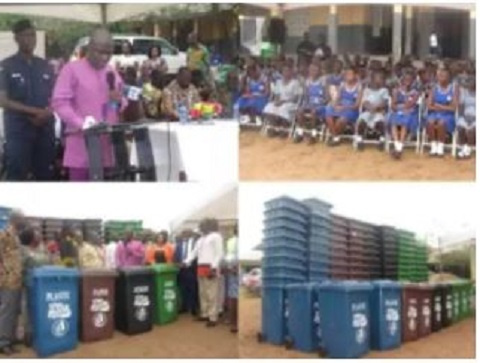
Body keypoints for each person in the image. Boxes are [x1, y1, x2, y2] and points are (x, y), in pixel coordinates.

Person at [52, 27, 127, 181]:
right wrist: (81, 123)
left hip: (108, 149)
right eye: (100, 52)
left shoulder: (112, 72)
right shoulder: (71, 69)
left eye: (109, 52)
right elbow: (59, 102)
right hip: (81, 147)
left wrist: (118, 101)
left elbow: (117, 105)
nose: (105, 57)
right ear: (90, 48)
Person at [0, 19, 56, 181]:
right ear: (16, 38)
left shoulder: (45, 65)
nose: (31, 39)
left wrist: (48, 112)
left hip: (44, 130)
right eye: (26, 35)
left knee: (46, 176)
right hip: (19, 131)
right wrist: (34, 112)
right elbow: (3, 100)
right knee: (17, 175)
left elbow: (56, 96)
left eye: (33, 35)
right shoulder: (6, 66)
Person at [185, 219, 224, 327]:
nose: (200, 227)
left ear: (208, 226)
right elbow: (194, 253)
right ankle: (204, 314)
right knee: (202, 292)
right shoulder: (201, 239)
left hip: (210, 267)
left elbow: (219, 254)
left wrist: (214, 267)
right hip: (200, 267)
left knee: (212, 293)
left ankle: (213, 317)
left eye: (202, 225)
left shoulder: (216, 236)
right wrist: (186, 261)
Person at [18, 227, 50, 347]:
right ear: (31, 238)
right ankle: (28, 335)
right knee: (28, 310)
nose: (39, 237)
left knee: (40, 309)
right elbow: (23, 265)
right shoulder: (23, 250)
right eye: (37, 235)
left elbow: (48, 261)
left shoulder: (41, 249)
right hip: (29, 284)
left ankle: (40, 332)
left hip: (42, 285)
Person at [0, 211, 26, 355]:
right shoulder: (4, 234)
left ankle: (11, 339)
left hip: (16, 280)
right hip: (7, 280)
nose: (24, 221)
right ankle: (3, 343)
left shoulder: (16, 236)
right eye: (22, 218)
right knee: (7, 312)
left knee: (15, 312)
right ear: (15, 220)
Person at [325, 66, 363, 146]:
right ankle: (336, 136)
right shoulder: (342, 85)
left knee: (341, 120)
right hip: (341, 107)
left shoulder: (359, 87)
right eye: (346, 74)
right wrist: (336, 106)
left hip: (352, 110)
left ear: (355, 75)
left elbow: (356, 105)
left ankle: (335, 137)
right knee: (328, 111)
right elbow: (337, 99)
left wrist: (344, 108)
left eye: (350, 74)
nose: (348, 76)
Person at [293, 62, 329, 144]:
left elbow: (327, 98)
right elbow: (306, 97)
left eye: (315, 70)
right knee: (299, 111)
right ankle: (300, 132)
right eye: (311, 70)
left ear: (319, 71)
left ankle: (313, 134)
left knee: (313, 112)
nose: (313, 72)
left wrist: (318, 104)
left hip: (321, 105)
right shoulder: (307, 81)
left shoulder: (323, 81)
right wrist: (305, 105)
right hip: (310, 104)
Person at [426, 67, 459, 157]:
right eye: (440, 75)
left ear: (449, 77)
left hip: (448, 115)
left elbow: (454, 107)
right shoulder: (434, 87)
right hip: (434, 112)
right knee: (430, 121)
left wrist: (440, 106)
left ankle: (440, 148)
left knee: (441, 123)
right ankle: (433, 147)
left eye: (444, 75)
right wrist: (440, 107)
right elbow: (429, 105)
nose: (441, 77)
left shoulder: (454, 87)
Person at [263, 64, 303, 137]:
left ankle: (284, 129)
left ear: (291, 72)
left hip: (291, 103)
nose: (286, 72)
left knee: (284, 108)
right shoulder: (278, 82)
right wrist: (277, 101)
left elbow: (296, 98)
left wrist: (284, 101)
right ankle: (273, 127)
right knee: (269, 106)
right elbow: (277, 95)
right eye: (284, 71)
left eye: (287, 71)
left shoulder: (295, 82)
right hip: (280, 102)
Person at [389, 69, 420, 159]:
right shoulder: (396, 90)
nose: (407, 81)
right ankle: (397, 146)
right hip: (398, 111)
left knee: (405, 122)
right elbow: (393, 105)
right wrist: (398, 109)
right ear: (402, 80)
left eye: (410, 79)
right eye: (406, 79)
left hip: (411, 112)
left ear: (413, 80)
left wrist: (401, 108)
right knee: (394, 120)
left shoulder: (415, 92)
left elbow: (411, 104)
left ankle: (399, 148)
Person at [356, 70, 389, 148]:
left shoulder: (384, 90)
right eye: (379, 78)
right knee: (362, 121)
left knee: (380, 122)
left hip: (379, 111)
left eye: (381, 78)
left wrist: (376, 107)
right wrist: (370, 108)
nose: (380, 80)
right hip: (368, 111)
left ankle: (381, 139)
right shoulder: (367, 90)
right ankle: (360, 139)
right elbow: (364, 102)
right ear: (373, 79)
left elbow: (385, 102)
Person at [175, 229, 199, 317]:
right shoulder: (179, 244)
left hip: (191, 268)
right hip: (181, 270)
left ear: (190, 234)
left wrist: (188, 263)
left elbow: (196, 255)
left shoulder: (194, 243)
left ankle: (193, 307)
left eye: (186, 232)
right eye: (183, 233)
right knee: (183, 289)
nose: (184, 234)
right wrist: (178, 264)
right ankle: (184, 307)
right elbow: (176, 256)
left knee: (192, 288)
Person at [456, 75, 475, 159]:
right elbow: (461, 107)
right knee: (461, 127)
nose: (471, 84)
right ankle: (464, 148)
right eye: (469, 82)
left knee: (472, 130)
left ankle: (467, 150)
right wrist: (463, 117)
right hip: (465, 116)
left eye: (473, 82)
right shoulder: (464, 93)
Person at [225, 224, 238, 333]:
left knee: (233, 297)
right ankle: (234, 322)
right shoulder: (232, 242)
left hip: (234, 270)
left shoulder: (230, 241)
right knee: (234, 298)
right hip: (235, 270)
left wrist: (230, 267)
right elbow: (229, 256)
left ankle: (233, 322)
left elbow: (228, 257)